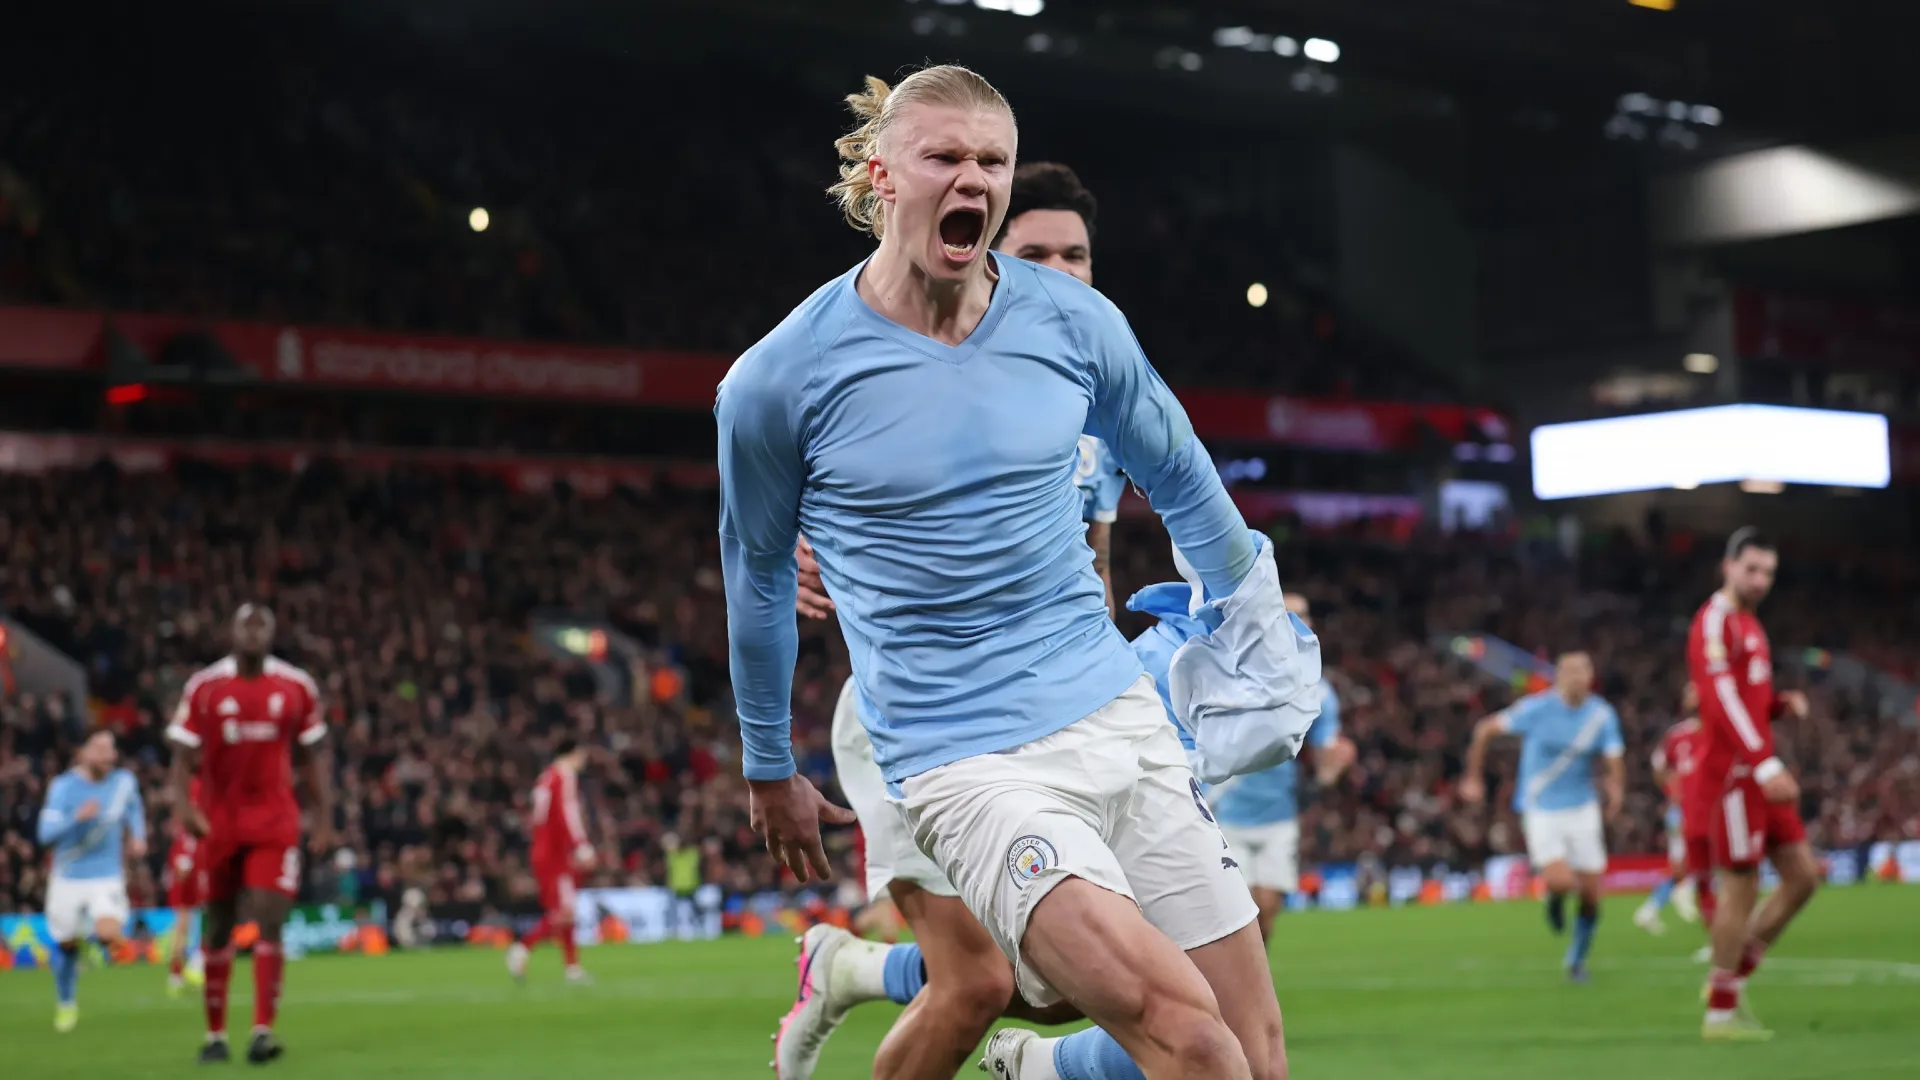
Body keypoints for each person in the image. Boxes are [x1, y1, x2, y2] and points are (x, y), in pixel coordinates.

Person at [720, 65, 1315, 1080]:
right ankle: (1043, 1066)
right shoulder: (781, 379)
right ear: (882, 175)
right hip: (963, 757)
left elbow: (1179, 472)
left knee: (1254, 1054)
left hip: (1117, 719)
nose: (974, 178)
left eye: (992, 160)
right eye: (945, 156)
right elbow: (758, 576)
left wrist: (1249, 613)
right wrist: (768, 764)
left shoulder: (1074, 324)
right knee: (1181, 1038)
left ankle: (1037, 1067)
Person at [774, 161, 1124, 1080]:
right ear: (990, 261)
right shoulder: (916, 370)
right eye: (1037, 252)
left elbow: (1097, 573)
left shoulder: (1094, 402)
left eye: (1077, 255)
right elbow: (794, 480)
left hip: (1050, 717)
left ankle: (854, 969)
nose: (1061, 271)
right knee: (975, 985)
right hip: (921, 721)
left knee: (1075, 982)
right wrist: (801, 542)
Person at [167, 603, 334, 1065]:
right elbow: (182, 754)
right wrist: (184, 807)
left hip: (274, 822)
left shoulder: (296, 686)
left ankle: (262, 1031)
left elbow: (313, 756)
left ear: (273, 635)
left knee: (269, 916)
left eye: (263, 626)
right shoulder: (204, 687)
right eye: (247, 625)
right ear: (232, 632)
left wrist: (323, 816)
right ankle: (215, 1036)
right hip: (218, 822)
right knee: (218, 925)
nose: (255, 633)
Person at [1688, 528, 1817, 1041]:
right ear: (1728, 566)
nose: (1761, 580)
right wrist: (1763, 764)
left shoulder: (1750, 623)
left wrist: (1779, 705)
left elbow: (1747, 699)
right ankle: (1720, 1016)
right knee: (1740, 889)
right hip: (1735, 776)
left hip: (1759, 769)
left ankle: (1730, 981)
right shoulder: (1715, 620)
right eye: (1752, 570)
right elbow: (1719, 698)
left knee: (1803, 877)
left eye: (1768, 572)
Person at [1460, 651, 1624, 983]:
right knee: (1562, 881)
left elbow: (1613, 756)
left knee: (1591, 894)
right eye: (1570, 672)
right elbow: (1485, 729)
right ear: (1559, 677)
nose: (1576, 678)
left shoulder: (1601, 715)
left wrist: (1616, 788)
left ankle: (1576, 960)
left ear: (1591, 677)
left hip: (1582, 807)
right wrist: (1473, 777)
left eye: (1582, 671)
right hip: (1541, 807)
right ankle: (1554, 897)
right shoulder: (1537, 708)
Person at [1210, 593, 1355, 943]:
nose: (1298, 622)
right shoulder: (1236, 673)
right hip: (1226, 808)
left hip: (1278, 813)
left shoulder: (1319, 691)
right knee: (1238, 915)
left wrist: (1332, 769)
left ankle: (1253, 979)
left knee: (1267, 912)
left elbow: (1326, 754)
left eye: (1304, 615)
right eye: (1290, 615)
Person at [36, 727, 146, 1033]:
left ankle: (93, 942)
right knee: (66, 943)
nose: (108, 755)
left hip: (106, 875)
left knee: (109, 933)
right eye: (99, 748)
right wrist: (77, 818)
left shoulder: (123, 782)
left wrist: (138, 836)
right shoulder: (63, 787)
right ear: (82, 753)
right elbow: (44, 835)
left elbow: (134, 808)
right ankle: (66, 1003)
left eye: (111, 749)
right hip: (68, 876)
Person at [506, 737, 595, 985]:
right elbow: (568, 813)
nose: (583, 761)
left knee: (565, 910)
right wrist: (581, 845)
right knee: (564, 911)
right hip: (556, 853)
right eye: (582, 755)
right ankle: (522, 948)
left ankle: (572, 968)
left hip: (543, 850)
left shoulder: (545, 778)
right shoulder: (564, 776)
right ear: (572, 753)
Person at [1635, 684, 1706, 939]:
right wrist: (1673, 791)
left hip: (1707, 809)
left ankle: (1655, 907)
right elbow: (1659, 767)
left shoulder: (1717, 731)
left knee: (1688, 865)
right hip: (1683, 811)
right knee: (1687, 864)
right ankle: (1680, 897)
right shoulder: (1677, 735)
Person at [162, 776, 209, 996]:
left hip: (189, 855)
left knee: (184, 921)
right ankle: (195, 964)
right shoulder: (200, 787)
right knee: (193, 918)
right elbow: (190, 824)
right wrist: (185, 855)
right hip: (193, 857)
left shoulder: (191, 785)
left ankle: (178, 974)